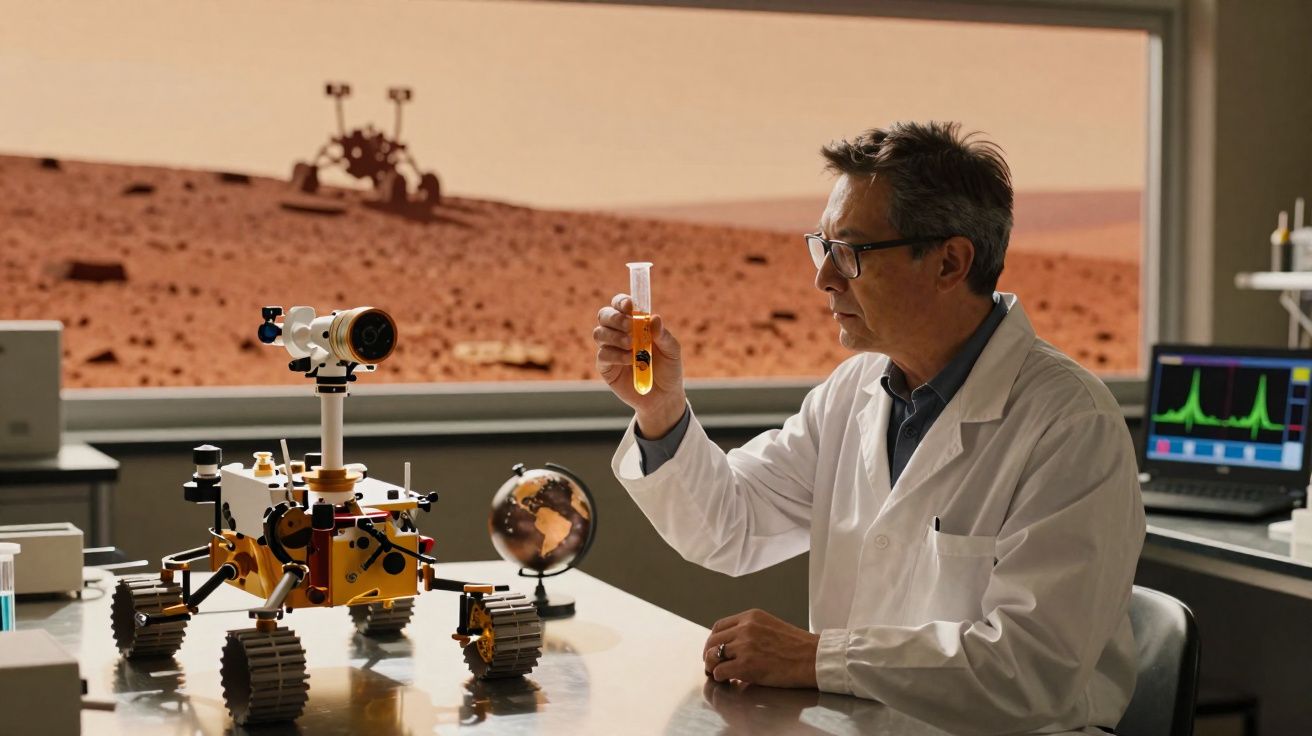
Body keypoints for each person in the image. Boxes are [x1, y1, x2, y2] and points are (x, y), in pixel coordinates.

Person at [592, 121, 1145, 735]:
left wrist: (817, 656)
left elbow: (1030, 670)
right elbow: (730, 526)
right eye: (820, 246)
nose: (823, 278)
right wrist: (660, 408)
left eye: (850, 253)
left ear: (949, 262)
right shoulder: (853, 393)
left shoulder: (1069, 424)